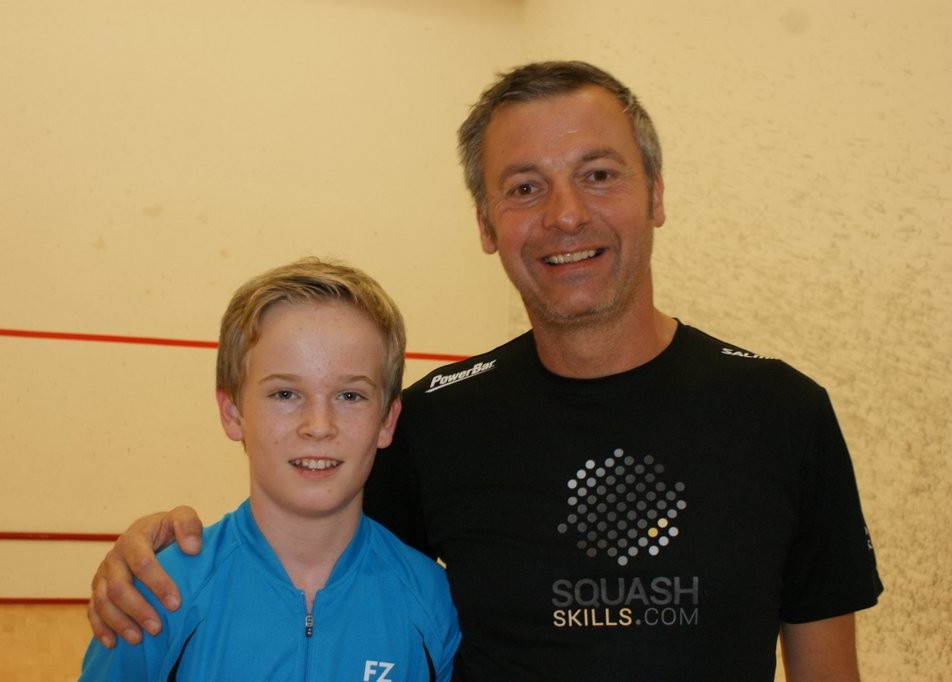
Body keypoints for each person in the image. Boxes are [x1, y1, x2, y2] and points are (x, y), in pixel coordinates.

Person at [86, 62, 882, 681]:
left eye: (599, 174)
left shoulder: (785, 414)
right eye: (525, 187)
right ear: (486, 224)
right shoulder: (432, 423)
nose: (565, 214)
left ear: (657, 195)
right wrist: (153, 548)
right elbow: (302, 532)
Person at [79, 258, 460, 681]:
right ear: (232, 412)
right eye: (285, 394)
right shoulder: (159, 593)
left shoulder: (432, 601)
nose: (319, 425)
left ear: (387, 420)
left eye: (350, 396)